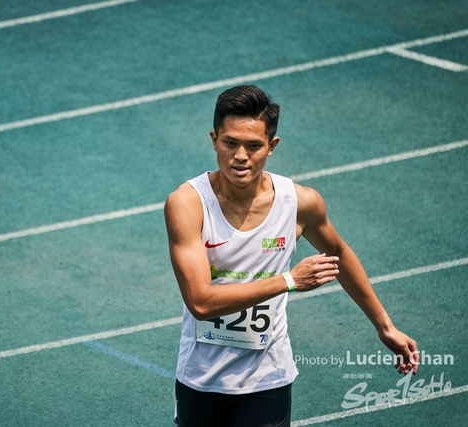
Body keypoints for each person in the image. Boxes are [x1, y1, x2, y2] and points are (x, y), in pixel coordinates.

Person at [164, 85, 418, 427]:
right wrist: (289, 281)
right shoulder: (188, 203)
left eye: (254, 145)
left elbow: (339, 252)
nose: (240, 156)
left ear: (272, 146)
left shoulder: (299, 203)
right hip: (201, 375)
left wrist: (385, 326)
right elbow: (201, 302)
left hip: (268, 376)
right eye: (230, 143)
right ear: (214, 140)